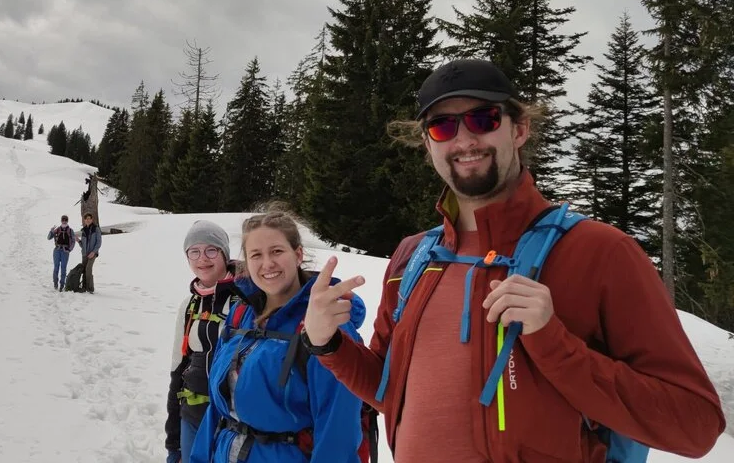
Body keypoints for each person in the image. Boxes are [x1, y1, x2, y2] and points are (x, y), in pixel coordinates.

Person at [301, 58, 727, 462]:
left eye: (483, 119)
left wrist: (553, 344)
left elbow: (695, 424)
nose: (464, 141)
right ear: (428, 143)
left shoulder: (600, 251)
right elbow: (391, 391)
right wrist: (328, 344)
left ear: (519, 129)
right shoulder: (413, 257)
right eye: (443, 126)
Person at [190, 205, 368, 463]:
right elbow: (217, 411)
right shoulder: (240, 314)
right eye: (256, 255)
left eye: (276, 251)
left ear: (298, 254)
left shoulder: (325, 322)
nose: (267, 264)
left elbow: (337, 432)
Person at [166, 220, 247, 463]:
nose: (202, 258)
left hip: (235, 422)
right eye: (194, 251)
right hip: (193, 416)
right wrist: (173, 442)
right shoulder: (190, 306)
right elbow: (178, 369)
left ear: (224, 254)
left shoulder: (247, 298)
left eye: (211, 250)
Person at [46, 214, 75, 291]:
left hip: (65, 251)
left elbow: (73, 241)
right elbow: (48, 238)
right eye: (63, 220)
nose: (64, 221)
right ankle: (55, 283)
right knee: (56, 267)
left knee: (63, 268)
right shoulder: (57, 229)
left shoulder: (70, 230)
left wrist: (69, 249)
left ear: (67, 221)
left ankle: (62, 285)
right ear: (61, 220)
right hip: (57, 250)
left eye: (66, 220)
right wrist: (51, 231)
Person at [78, 212, 101, 294]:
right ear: (84, 220)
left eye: (89, 218)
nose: (88, 220)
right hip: (84, 253)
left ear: (92, 220)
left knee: (88, 269)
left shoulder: (96, 229)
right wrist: (78, 241)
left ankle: (90, 288)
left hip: (92, 253)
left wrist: (93, 252)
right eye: (86, 219)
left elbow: (99, 242)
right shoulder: (83, 230)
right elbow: (83, 245)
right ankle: (84, 287)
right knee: (84, 269)